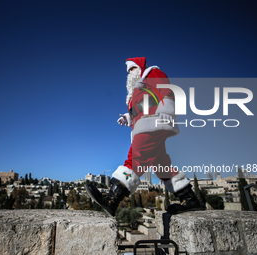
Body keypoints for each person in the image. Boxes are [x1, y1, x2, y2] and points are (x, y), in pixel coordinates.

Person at [85, 57, 204, 216]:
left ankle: (112, 199)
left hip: (153, 123)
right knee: (161, 165)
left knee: (135, 157)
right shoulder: (137, 89)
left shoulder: (153, 73)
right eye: (128, 71)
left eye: (132, 69)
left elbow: (166, 92)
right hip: (146, 124)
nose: (129, 73)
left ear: (140, 67)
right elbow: (142, 107)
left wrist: (166, 114)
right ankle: (189, 198)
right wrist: (128, 117)